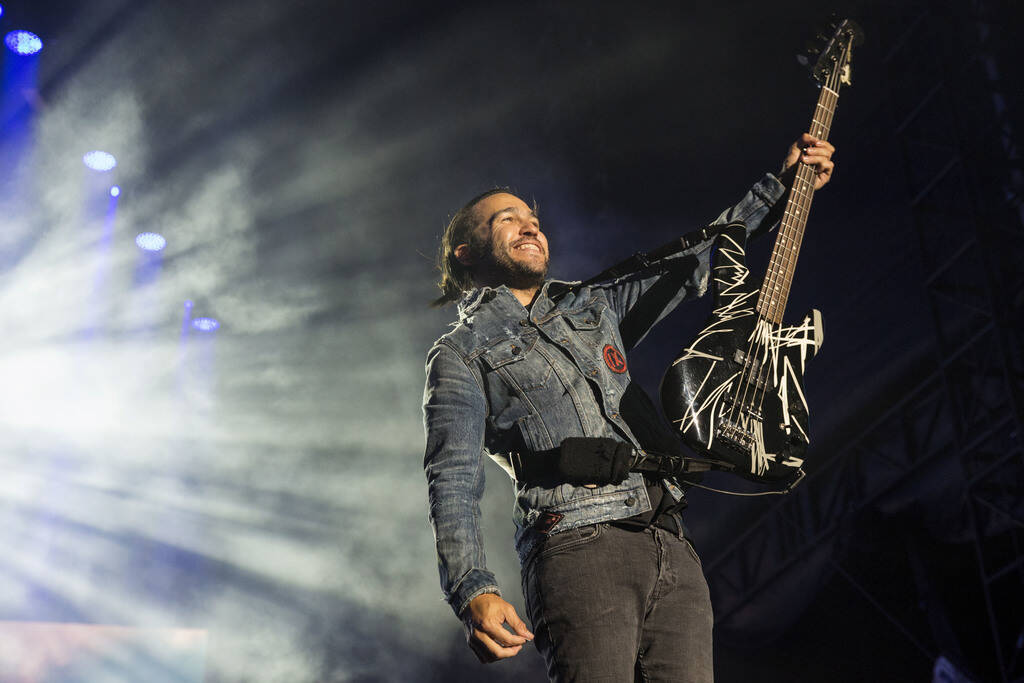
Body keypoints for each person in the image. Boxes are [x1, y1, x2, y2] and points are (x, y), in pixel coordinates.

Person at [422, 134, 835, 681]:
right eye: (505, 219)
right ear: (465, 252)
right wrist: (473, 588)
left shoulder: (592, 305)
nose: (529, 225)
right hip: (577, 544)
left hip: (671, 539)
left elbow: (697, 259)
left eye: (532, 217)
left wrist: (782, 188)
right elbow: (451, 477)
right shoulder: (459, 353)